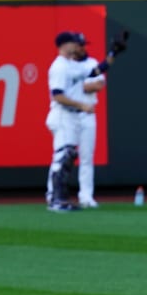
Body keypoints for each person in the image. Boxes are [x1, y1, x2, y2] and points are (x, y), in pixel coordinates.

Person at [45, 30, 110, 211]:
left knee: (66, 156)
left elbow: (95, 71)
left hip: (70, 115)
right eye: (73, 42)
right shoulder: (60, 66)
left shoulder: (69, 65)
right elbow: (57, 95)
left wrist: (112, 54)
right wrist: (81, 105)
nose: (76, 45)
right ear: (64, 45)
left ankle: (56, 197)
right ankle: (56, 199)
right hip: (62, 114)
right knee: (62, 157)